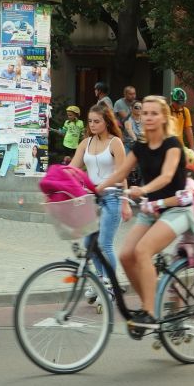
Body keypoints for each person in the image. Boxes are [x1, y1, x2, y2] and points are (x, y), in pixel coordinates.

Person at [95, 95, 194, 332]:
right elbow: (121, 173)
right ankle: (149, 305)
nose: (148, 117)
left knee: (142, 250)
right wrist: (96, 188)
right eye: (145, 113)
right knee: (126, 255)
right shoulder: (141, 146)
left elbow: (167, 176)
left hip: (176, 208)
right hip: (152, 209)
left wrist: (143, 190)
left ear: (164, 118)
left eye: (154, 113)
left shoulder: (172, 144)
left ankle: (149, 312)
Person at [142, 149, 194, 350]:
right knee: (172, 278)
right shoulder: (169, 186)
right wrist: (146, 202)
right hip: (187, 235)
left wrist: (155, 203)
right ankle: (176, 320)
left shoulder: (188, 184)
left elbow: (183, 200)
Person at [69, 103, 132, 296]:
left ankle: (110, 285)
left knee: (104, 243)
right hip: (91, 198)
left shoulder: (115, 143)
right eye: (90, 121)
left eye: (97, 121)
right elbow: (72, 168)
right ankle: (99, 281)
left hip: (112, 197)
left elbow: (122, 174)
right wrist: (56, 181)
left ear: (106, 122)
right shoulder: (85, 143)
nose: (92, 125)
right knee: (89, 244)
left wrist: (125, 202)